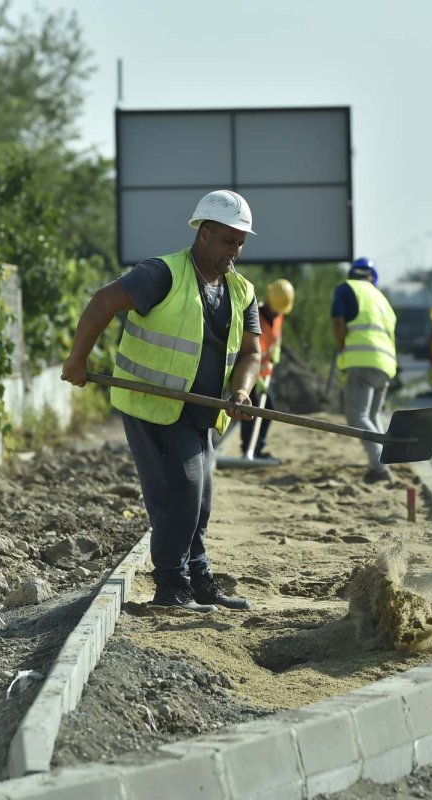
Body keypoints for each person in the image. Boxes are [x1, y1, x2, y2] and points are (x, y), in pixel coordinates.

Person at [61, 189, 261, 613]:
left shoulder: (242, 291)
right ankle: (171, 586)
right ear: (204, 233)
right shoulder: (162, 273)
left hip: (202, 411)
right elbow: (103, 303)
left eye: (242, 242)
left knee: (200, 495)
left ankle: (198, 574)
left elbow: (251, 352)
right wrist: (78, 358)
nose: (236, 250)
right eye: (229, 240)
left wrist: (241, 390)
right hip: (153, 405)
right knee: (182, 490)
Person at [331, 256, 398, 483]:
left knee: (357, 416)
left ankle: (380, 467)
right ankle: (383, 463)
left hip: (362, 361)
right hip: (386, 365)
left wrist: (341, 346)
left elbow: (338, 321)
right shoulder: (382, 299)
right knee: (372, 416)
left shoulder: (346, 289)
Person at [240, 278, 294, 460]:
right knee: (252, 410)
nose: (277, 312)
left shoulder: (279, 317)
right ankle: (248, 448)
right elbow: (249, 349)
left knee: (268, 409)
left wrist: (276, 351)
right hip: (250, 372)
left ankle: (256, 448)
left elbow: (275, 339)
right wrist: (258, 378)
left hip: (264, 373)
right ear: (269, 301)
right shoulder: (255, 316)